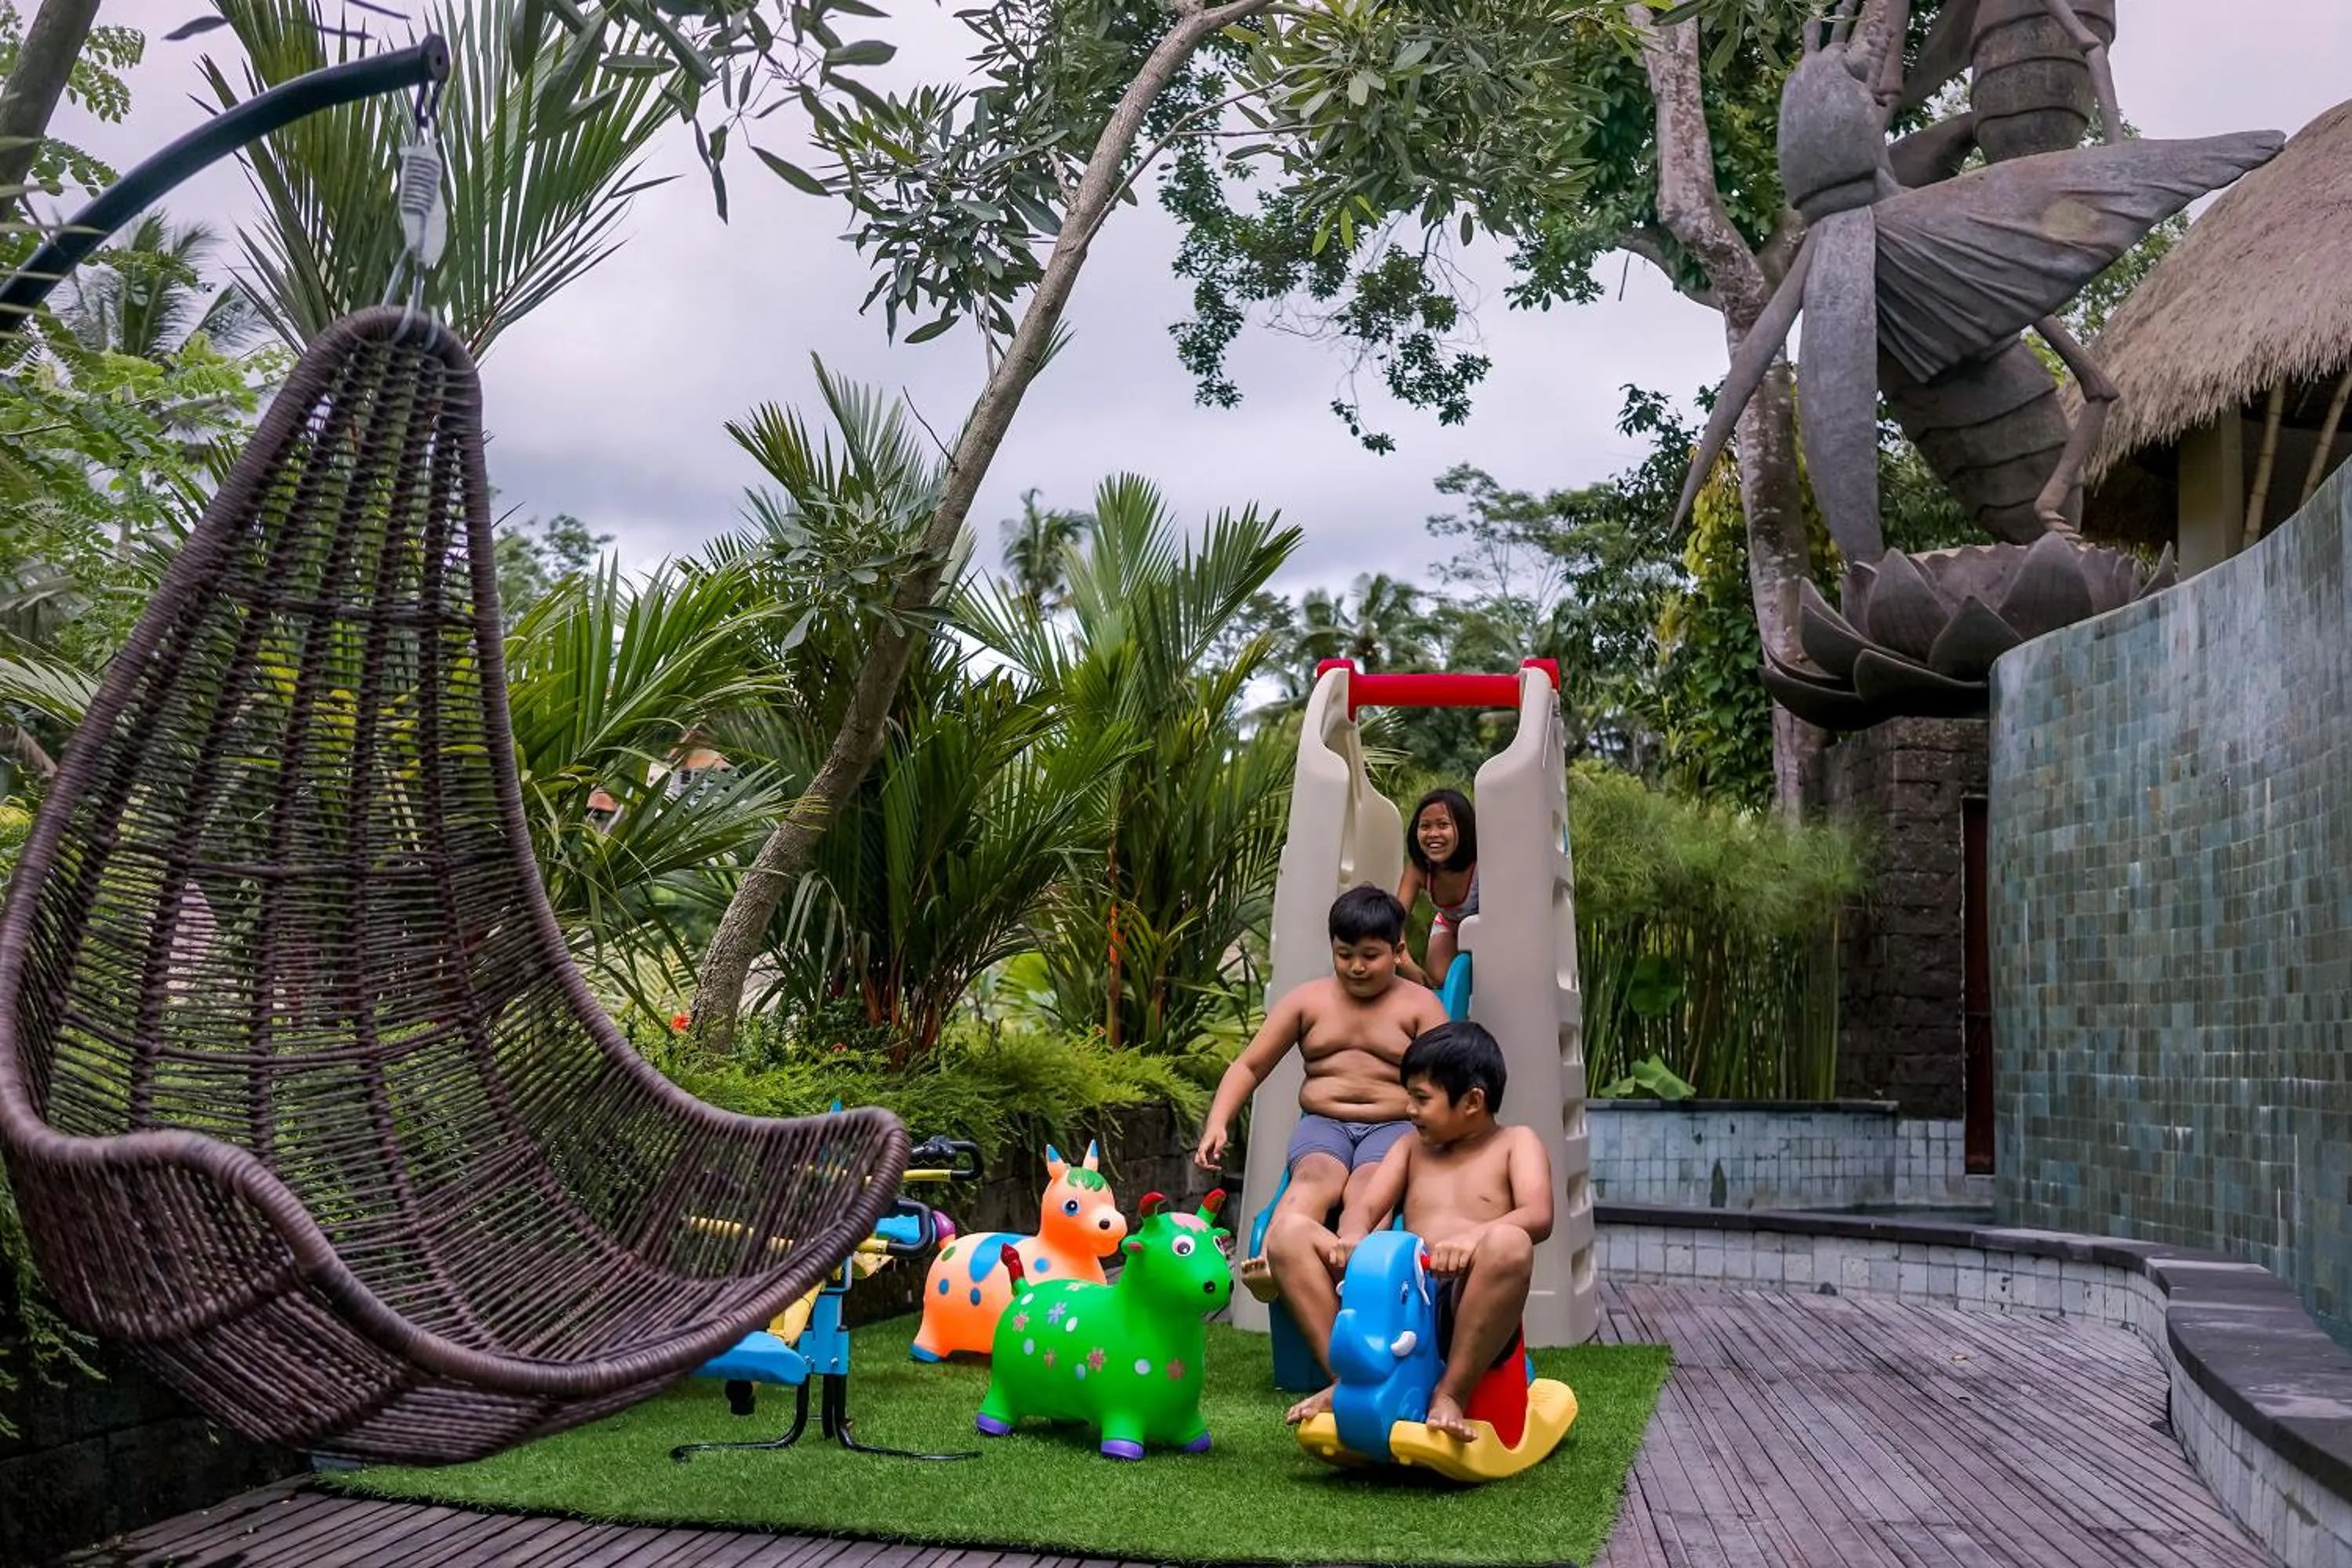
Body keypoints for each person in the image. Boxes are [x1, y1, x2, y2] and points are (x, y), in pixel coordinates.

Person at [1270, 1019, 1552, 1441]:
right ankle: (1349, 1380)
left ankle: (1451, 1393)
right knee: (1287, 1234)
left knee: (1511, 1243)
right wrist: (1353, 1235)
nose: (1409, 1110)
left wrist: (1473, 1239)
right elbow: (1366, 1207)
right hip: (1401, 1296)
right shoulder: (1410, 1147)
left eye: (1421, 1099)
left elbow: (1538, 1214)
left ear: (1472, 1101)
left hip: (1466, 1299)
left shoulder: (1516, 1143)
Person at [1193, 884, 1450, 1300]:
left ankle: (1355, 1260)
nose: (1356, 967)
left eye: (1370, 955)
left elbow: (1448, 1078)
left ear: (1398, 950)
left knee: (1369, 1188)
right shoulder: (1308, 1001)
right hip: (1323, 1125)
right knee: (1312, 1178)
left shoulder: (1421, 1006)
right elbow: (1249, 1065)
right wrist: (1218, 1122)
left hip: (1393, 1126)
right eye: (1344, 954)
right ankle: (1274, 1259)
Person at [1395, 788, 1478, 989]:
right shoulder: (1419, 870)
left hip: (1488, 927)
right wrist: (1405, 963)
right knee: (1440, 978)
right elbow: (1394, 920)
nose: (1433, 834)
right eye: (1425, 826)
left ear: (1464, 828)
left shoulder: (1481, 863)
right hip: (1450, 923)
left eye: (1443, 825)